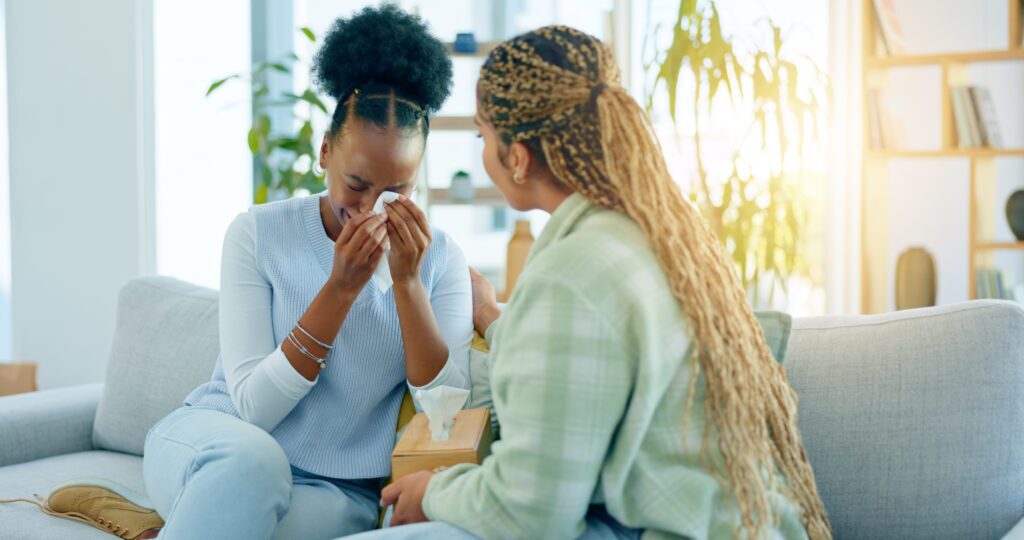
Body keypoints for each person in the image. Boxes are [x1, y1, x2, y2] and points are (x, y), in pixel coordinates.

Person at [353, 25, 832, 540]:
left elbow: (530, 512)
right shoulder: (654, 233)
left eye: (482, 136)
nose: (483, 152)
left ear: (517, 157)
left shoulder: (570, 275)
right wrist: (490, 316)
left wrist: (433, 492)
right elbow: (582, 362)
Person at [22, 6, 472, 540]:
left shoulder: (439, 259)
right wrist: (340, 288)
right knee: (251, 468)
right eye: (356, 184)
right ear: (325, 151)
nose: (370, 207)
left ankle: (164, 525)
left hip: (336, 488)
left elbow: (446, 409)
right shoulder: (258, 233)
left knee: (243, 518)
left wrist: (408, 284)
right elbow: (254, 410)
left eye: (396, 191)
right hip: (219, 440)